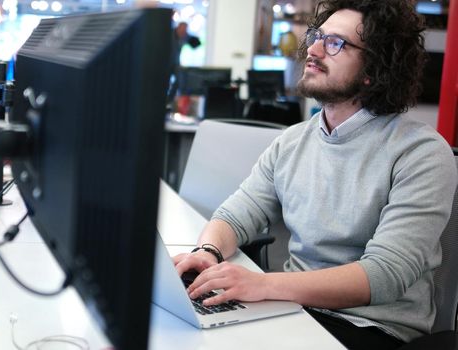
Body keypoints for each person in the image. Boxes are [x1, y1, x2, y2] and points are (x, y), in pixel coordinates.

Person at [172, 0, 457, 349]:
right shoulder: (293, 140)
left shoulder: (421, 153)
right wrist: (208, 251)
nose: (313, 48)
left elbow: (384, 275)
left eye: (335, 43)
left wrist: (262, 285)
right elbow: (237, 213)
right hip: (294, 308)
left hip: (371, 328)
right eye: (317, 36)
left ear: (374, 69)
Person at [168, 21, 202, 102]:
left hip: (176, 63)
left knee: (180, 80)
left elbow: (196, 44)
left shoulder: (185, 36)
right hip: (165, 63)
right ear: (178, 27)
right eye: (182, 29)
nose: (183, 31)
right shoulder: (169, 34)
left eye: (185, 30)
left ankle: (170, 100)